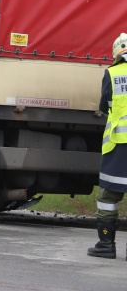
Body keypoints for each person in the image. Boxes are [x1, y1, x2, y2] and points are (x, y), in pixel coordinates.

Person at [88, 33, 127, 259]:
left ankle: (106, 245)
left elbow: (104, 104)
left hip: (118, 147)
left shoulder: (111, 74)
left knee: (108, 196)